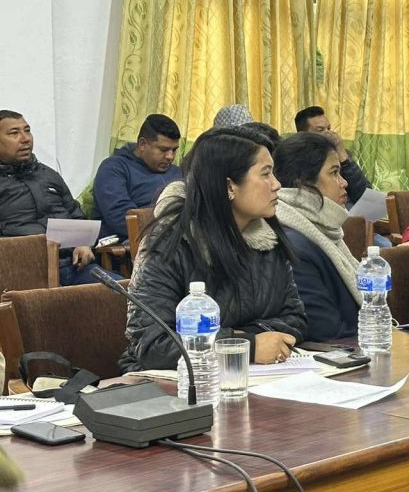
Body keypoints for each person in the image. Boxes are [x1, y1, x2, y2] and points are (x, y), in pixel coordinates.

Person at [120, 126, 306, 372]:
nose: (277, 184)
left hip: (253, 374)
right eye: (265, 174)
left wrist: (244, 338)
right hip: (175, 381)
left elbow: (295, 318)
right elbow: (153, 345)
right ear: (229, 186)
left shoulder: (267, 239)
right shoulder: (169, 244)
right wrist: (246, 344)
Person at [0, 109, 113, 286]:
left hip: (74, 267)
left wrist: (83, 242)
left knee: (127, 293)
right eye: (14, 133)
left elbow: (77, 216)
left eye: (27, 131)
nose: (25, 139)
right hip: (22, 274)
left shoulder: (48, 175)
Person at [272, 133, 361, 342]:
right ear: (304, 183)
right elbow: (325, 331)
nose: (344, 183)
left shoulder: (322, 229)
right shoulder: (294, 245)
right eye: (334, 173)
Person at [93, 113, 182, 239]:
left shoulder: (178, 173)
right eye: (163, 150)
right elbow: (122, 219)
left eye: (174, 150)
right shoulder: (114, 169)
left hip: (174, 241)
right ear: (142, 144)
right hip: (130, 244)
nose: (170, 157)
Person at [293, 105, 371, 206]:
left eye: (329, 128)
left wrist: (343, 156)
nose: (328, 134)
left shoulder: (339, 154)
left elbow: (366, 196)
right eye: (320, 130)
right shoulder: (296, 160)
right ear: (303, 135)